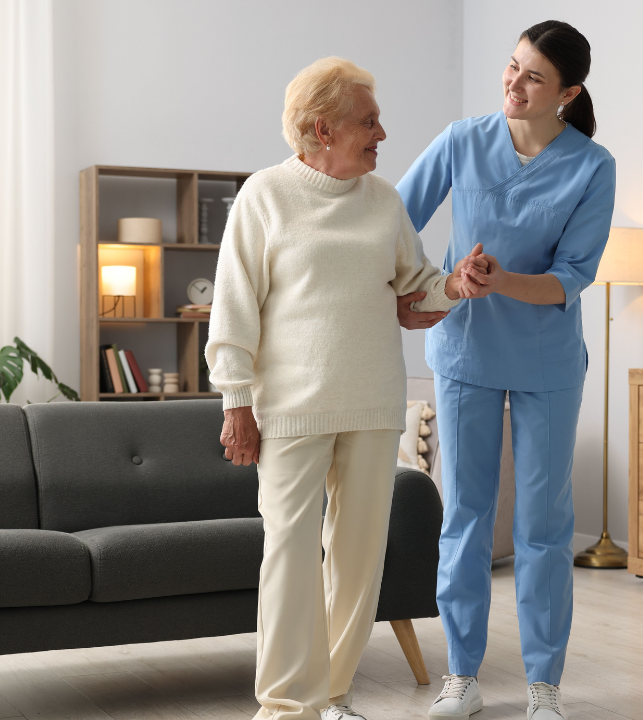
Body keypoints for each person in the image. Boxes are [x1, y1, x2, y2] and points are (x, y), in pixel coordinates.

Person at [206, 57, 486, 720]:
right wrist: (235, 402)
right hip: (290, 409)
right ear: (320, 129)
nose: (382, 132)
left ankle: (330, 698)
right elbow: (233, 307)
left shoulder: (383, 201)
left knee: (358, 563)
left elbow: (415, 288)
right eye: (368, 121)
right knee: (289, 560)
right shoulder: (265, 196)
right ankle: (283, 708)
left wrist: (459, 283)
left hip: (370, 405)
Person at [396, 21, 616, 720]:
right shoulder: (463, 139)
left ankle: (542, 685)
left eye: (533, 78)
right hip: (465, 354)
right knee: (463, 516)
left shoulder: (592, 165)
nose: (513, 86)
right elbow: (395, 221)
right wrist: (442, 280)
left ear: (568, 93)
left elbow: (570, 277)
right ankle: (461, 678)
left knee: (544, 525)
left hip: (547, 361)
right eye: (512, 67)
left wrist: (500, 280)